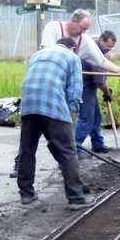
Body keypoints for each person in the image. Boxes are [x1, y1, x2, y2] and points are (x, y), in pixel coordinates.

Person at [17, 37, 94, 210]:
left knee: (27, 150)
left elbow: (33, 80)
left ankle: (26, 194)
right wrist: (71, 124)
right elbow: (75, 93)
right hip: (52, 104)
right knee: (68, 152)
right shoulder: (73, 57)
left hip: (28, 104)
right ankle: (76, 198)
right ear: (73, 48)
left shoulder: (37, 55)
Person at [40, 9, 120, 79]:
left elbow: (101, 61)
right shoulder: (54, 27)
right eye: (83, 28)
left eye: (86, 29)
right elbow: (47, 54)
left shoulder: (85, 40)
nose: (83, 32)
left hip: (66, 81)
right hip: (46, 76)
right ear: (73, 21)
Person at [76, 30, 117, 156]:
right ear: (101, 40)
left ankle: (98, 144)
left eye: (111, 48)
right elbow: (100, 81)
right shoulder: (95, 53)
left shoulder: (98, 50)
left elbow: (101, 78)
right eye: (107, 46)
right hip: (84, 87)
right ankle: (74, 148)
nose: (108, 50)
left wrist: (106, 90)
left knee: (96, 117)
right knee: (86, 118)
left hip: (89, 87)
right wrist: (107, 92)